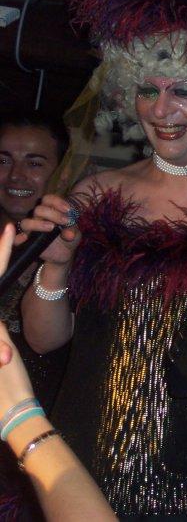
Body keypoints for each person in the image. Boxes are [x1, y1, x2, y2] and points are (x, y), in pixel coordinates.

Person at [17, 0, 187, 517]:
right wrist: (57, 266)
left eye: (184, 90)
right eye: (148, 89)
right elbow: (44, 339)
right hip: (79, 475)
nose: (161, 110)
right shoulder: (95, 196)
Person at [0, 113, 72, 520]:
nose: (15, 175)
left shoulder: (73, 247)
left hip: (38, 448)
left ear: (62, 170)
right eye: (3, 159)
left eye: (34, 162)